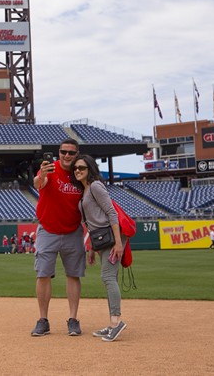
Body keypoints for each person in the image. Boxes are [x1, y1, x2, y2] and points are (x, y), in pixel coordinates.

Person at [31, 139, 85, 337]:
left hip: (73, 231)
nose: (67, 156)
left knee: (73, 274)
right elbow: (38, 183)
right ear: (58, 152)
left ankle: (73, 319)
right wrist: (42, 174)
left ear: (77, 153)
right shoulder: (50, 170)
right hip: (48, 229)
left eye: (71, 152)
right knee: (43, 274)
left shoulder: (80, 172)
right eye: (64, 152)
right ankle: (43, 320)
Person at [72, 154, 127, 342]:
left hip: (112, 237)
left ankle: (116, 322)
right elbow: (91, 223)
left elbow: (111, 212)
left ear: (90, 170)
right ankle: (112, 323)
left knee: (108, 276)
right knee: (108, 277)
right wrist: (91, 248)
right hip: (101, 239)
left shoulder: (95, 186)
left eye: (82, 168)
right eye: (76, 168)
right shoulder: (84, 192)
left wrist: (119, 243)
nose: (78, 170)